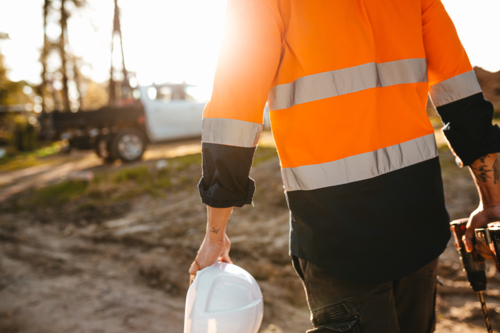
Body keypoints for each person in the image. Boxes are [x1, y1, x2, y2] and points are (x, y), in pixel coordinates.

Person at [188, 0, 500, 332]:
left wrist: (215, 234)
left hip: (337, 234)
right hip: (418, 221)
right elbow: (461, 96)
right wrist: (492, 199)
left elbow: (235, 108)